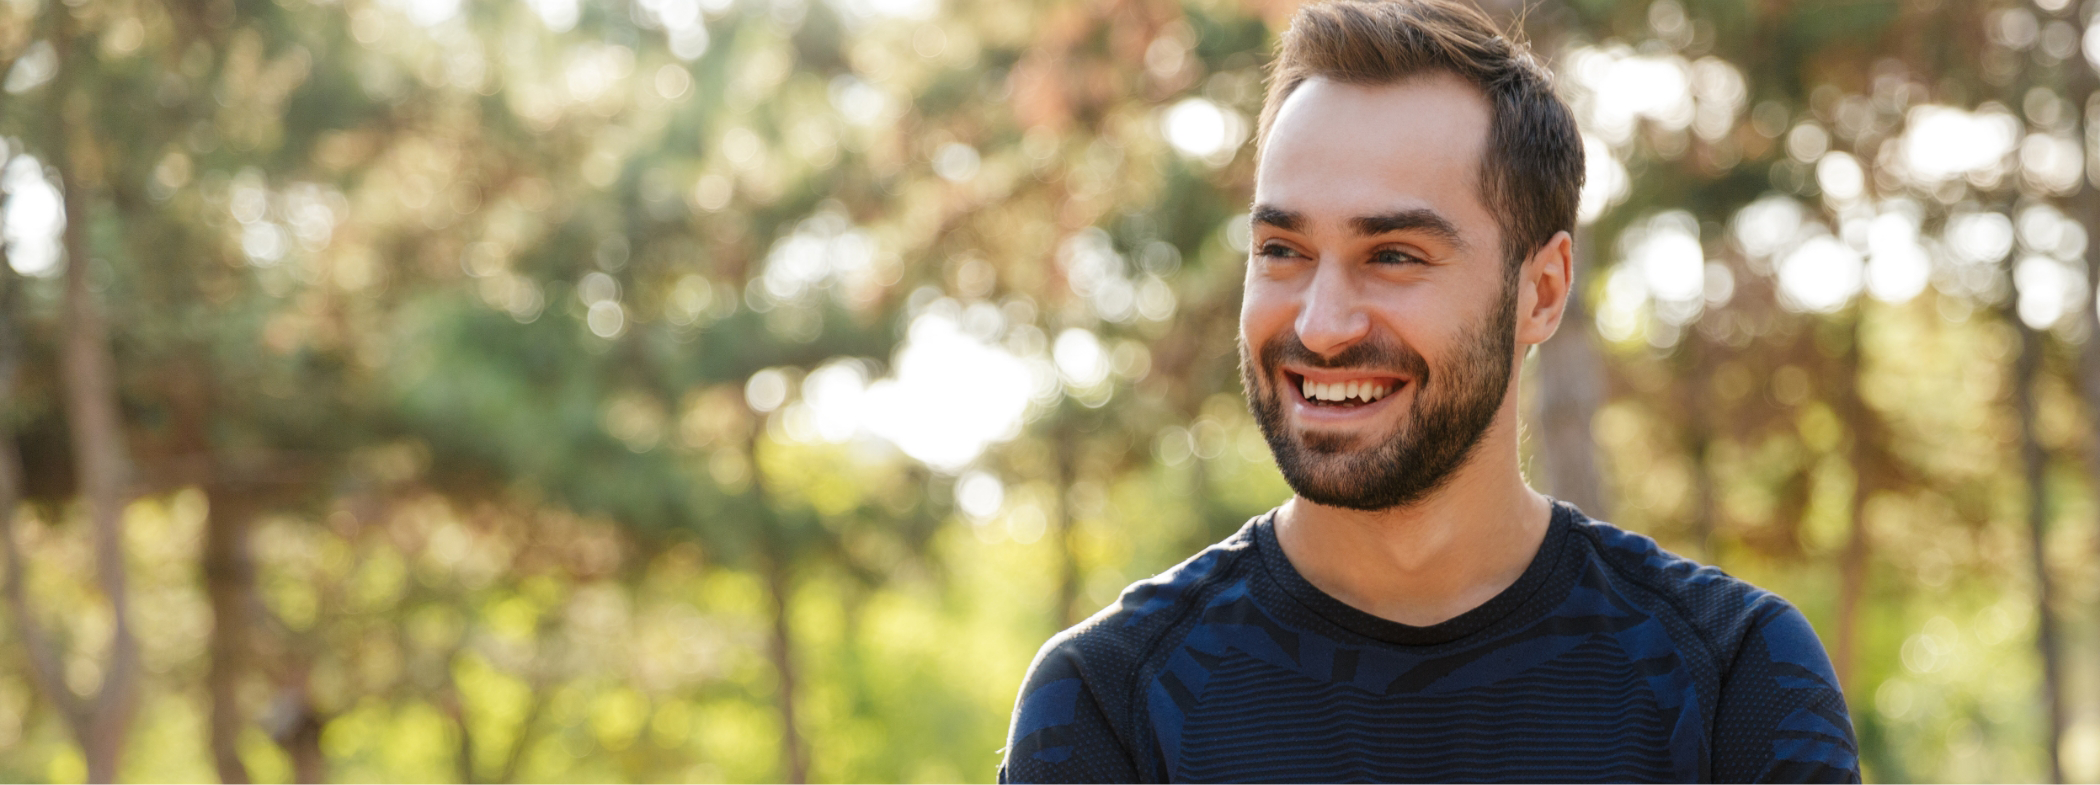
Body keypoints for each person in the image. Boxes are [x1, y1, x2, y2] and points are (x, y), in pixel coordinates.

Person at [998, 0, 1860, 781]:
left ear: (1543, 290)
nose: (1323, 324)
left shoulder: (1733, 681)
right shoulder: (1108, 704)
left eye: (1395, 255)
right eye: (1282, 252)